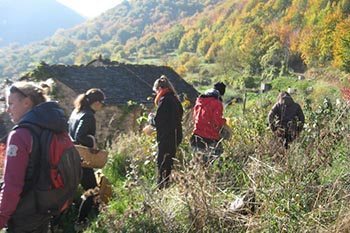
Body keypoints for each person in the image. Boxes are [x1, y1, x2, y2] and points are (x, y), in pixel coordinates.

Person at [0, 81, 67, 232]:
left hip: (23, 213)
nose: (7, 110)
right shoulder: (55, 129)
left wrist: (1, 217)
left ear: (26, 102)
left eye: (11, 104)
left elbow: (12, 184)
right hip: (46, 207)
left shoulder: (20, 135)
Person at [68, 88, 105, 224]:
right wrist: (92, 141)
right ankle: (81, 221)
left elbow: (71, 134)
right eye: (101, 102)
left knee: (68, 192)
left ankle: (58, 223)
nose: (102, 105)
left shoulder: (76, 112)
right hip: (82, 159)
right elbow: (80, 136)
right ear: (95, 102)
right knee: (92, 190)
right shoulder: (88, 115)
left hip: (70, 157)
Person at [151, 75, 183, 189]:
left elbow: (158, 120)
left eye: (156, 91)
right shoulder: (175, 99)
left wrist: (151, 120)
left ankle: (161, 188)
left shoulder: (164, 100)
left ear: (159, 89)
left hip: (166, 137)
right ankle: (165, 187)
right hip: (175, 136)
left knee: (162, 164)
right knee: (168, 163)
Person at [190, 82, 227, 163]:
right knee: (216, 162)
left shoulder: (199, 101)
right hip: (210, 137)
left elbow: (194, 117)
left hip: (196, 136)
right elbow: (216, 122)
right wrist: (224, 123)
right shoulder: (217, 103)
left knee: (197, 163)